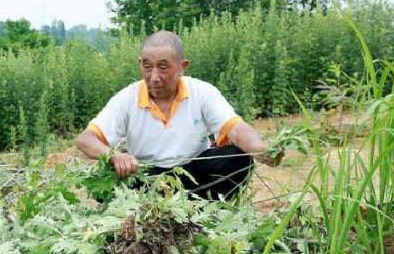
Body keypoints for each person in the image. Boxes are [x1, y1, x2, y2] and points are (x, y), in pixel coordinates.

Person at [75, 30, 282, 201]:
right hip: (146, 178)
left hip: (194, 174)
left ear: (182, 67)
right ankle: (144, 212)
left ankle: (203, 211)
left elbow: (235, 128)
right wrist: (113, 156)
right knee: (103, 178)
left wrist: (258, 148)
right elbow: (86, 139)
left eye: (163, 67)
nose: (154, 77)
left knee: (238, 160)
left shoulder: (201, 91)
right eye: (147, 67)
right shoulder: (127, 98)